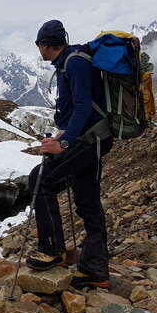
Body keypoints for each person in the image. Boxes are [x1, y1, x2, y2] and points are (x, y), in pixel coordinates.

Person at [25, 19, 114, 288]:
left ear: (45, 44)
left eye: (38, 44)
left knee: (41, 179)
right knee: (87, 199)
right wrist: (62, 135)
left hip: (91, 139)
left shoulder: (74, 63)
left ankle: (52, 250)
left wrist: (63, 144)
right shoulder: (70, 61)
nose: (38, 49)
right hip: (92, 138)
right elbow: (77, 109)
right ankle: (94, 270)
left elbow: (82, 108)